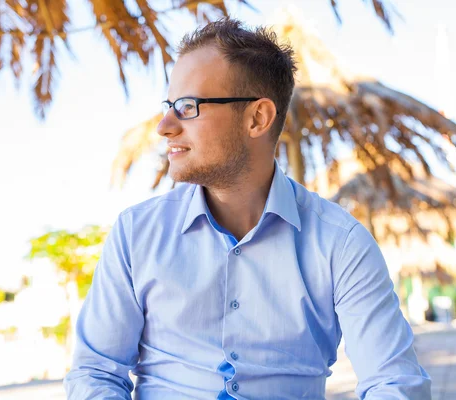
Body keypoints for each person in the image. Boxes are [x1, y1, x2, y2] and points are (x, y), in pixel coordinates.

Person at [64, 18, 431, 400]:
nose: (165, 125)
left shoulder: (341, 244)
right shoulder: (136, 234)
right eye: (169, 105)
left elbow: (394, 382)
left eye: (188, 107)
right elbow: (95, 373)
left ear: (258, 117)